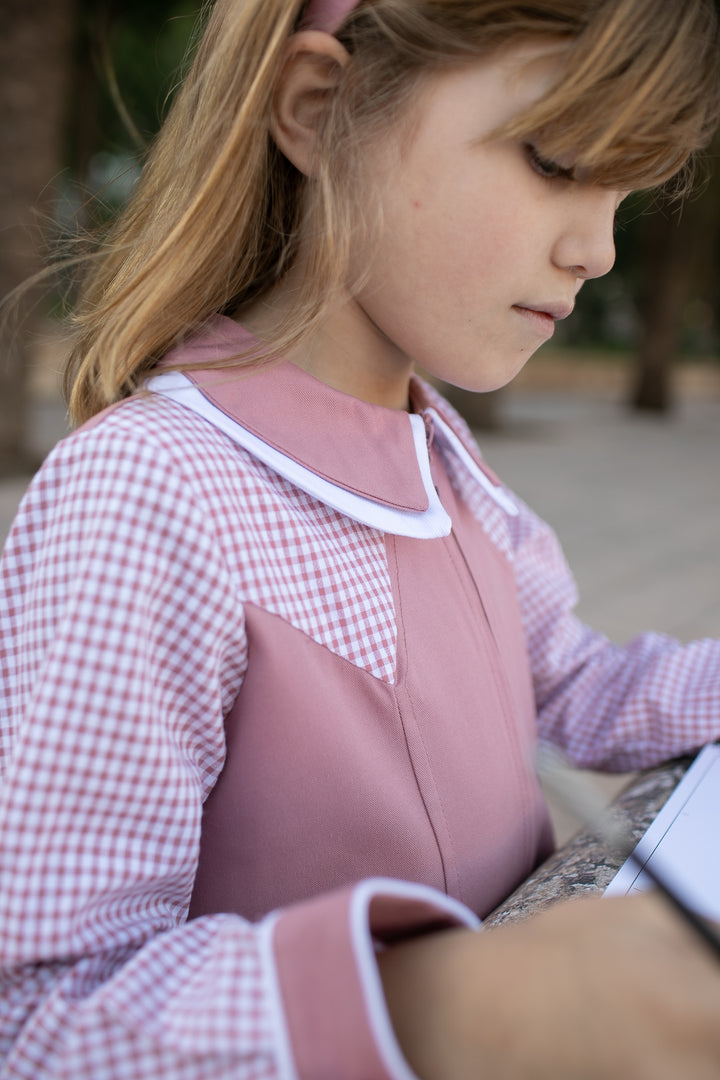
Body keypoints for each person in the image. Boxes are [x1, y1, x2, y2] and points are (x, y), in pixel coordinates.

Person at [2, 0, 720, 1076]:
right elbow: (40, 1015)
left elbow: (574, 685)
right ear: (319, 107)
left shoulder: (444, 455)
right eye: (559, 161)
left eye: (628, 189)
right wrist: (457, 1006)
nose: (598, 248)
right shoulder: (147, 495)